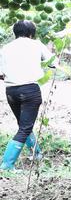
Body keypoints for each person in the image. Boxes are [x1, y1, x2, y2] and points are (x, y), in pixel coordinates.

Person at [0, 20, 56, 171]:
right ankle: (6, 165)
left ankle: (37, 154)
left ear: (15, 33)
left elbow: (0, 73)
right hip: (30, 91)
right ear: (31, 33)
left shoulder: (6, 48)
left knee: (24, 125)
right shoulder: (36, 44)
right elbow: (53, 62)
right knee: (25, 128)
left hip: (11, 91)